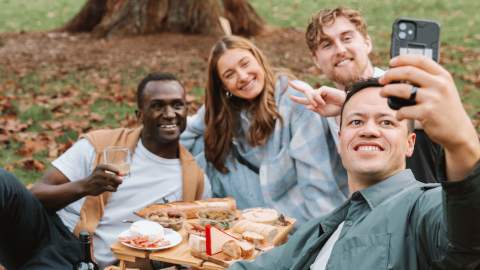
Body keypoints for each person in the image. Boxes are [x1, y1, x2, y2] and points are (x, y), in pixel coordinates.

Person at [230, 55, 480, 270]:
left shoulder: (423, 207)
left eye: (386, 122)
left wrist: (462, 144)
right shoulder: (317, 230)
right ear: (340, 141)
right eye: (356, 122)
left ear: (410, 143)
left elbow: (468, 239)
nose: (369, 130)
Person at [0, 72, 210, 269]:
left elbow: (190, 248)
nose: (169, 114)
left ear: (186, 112)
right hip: (55, 236)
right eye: (157, 106)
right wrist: (84, 186)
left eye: (177, 105)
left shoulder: (195, 180)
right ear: (140, 115)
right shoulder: (100, 145)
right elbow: (36, 194)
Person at [181, 35, 348, 226]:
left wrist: (323, 235)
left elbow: (318, 183)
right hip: (248, 214)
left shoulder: (295, 102)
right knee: (197, 148)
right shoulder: (223, 109)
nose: (242, 76)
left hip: (296, 219)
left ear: (258, 59)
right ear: (222, 85)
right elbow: (181, 133)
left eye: (245, 64)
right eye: (229, 74)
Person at [290, 7, 445, 183]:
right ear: (316, 60)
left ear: (367, 43)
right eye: (327, 44)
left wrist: (347, 104)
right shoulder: (320, 114)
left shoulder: (407, 87)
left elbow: (442, 120)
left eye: (347, 38)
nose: (340, 49)